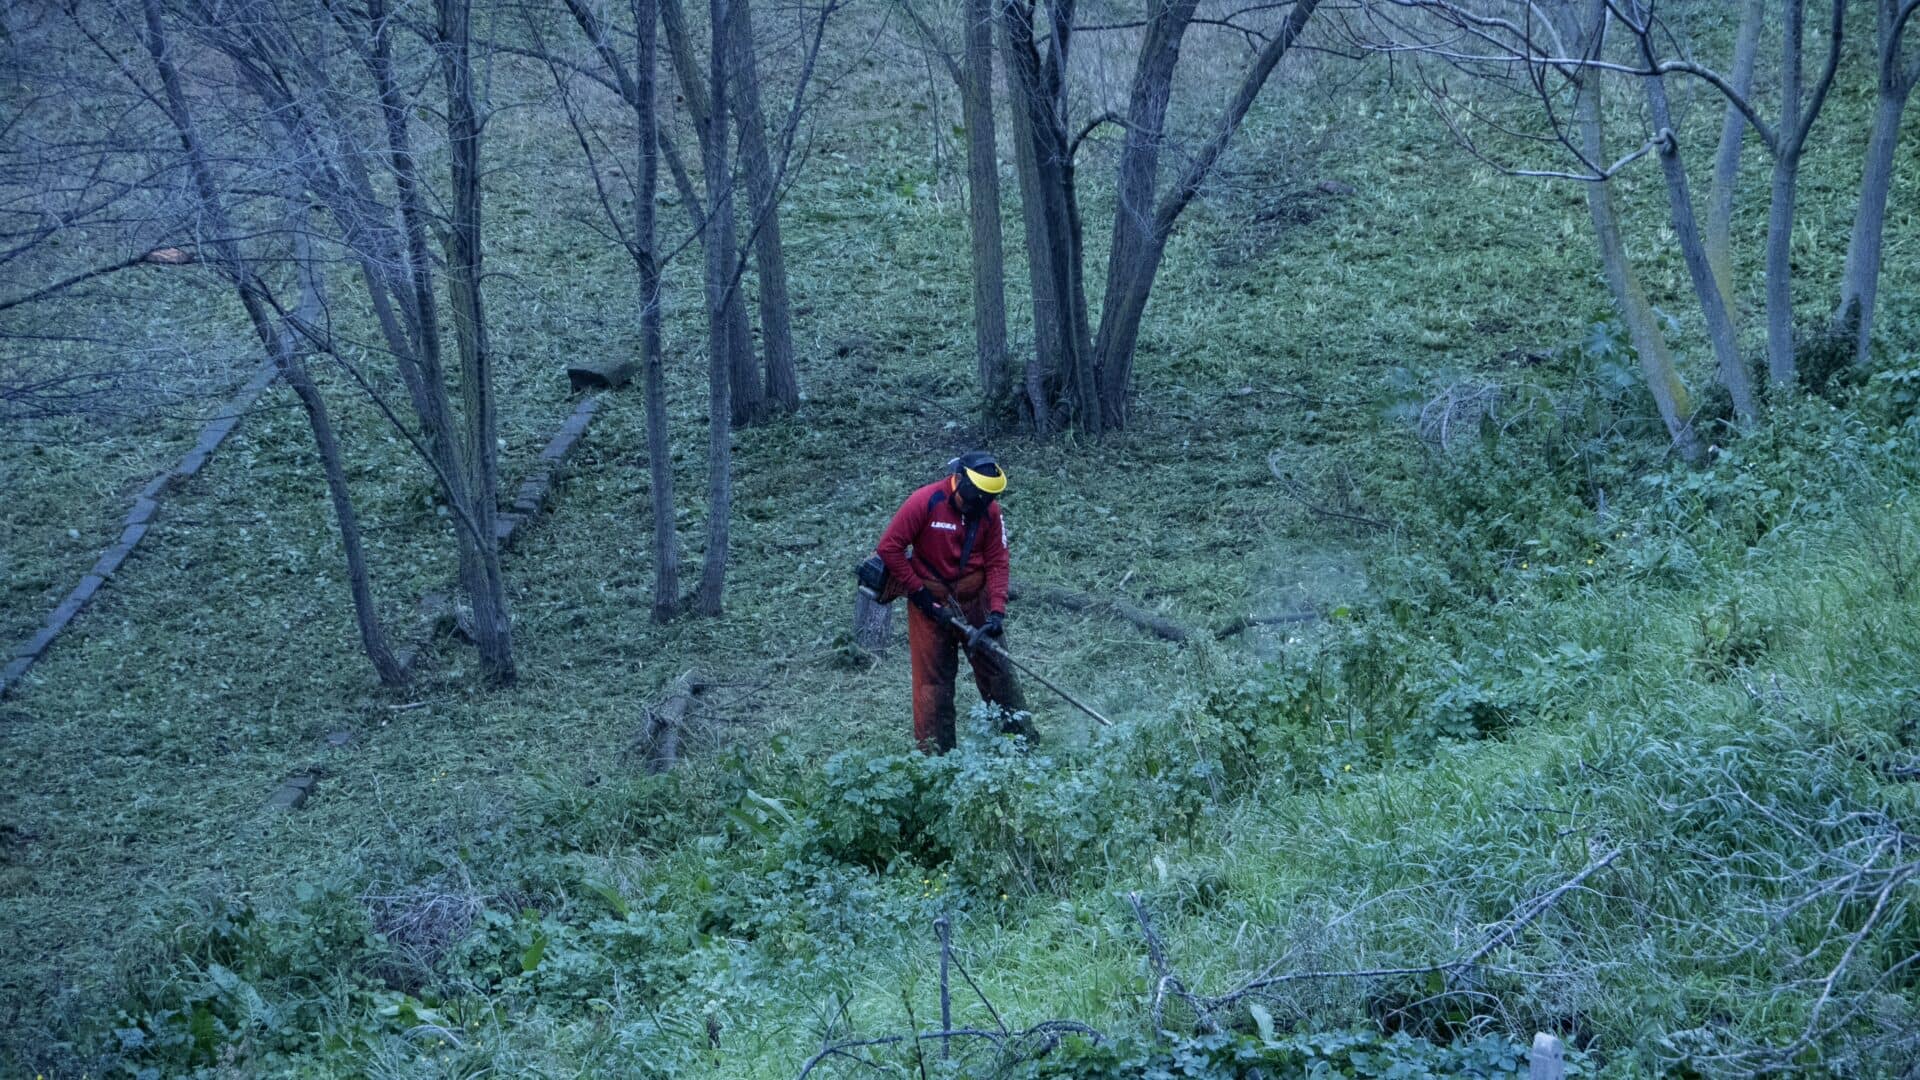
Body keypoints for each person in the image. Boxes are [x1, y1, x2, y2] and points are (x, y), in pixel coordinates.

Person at [874, 452, 1030, 753]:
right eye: (972, 500)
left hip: (976, 600)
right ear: (958, 481)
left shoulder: (990, 511)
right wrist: (919, 594)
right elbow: (889, 548)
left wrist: (996, 612)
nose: (976, 507)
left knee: (998, 670)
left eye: (983, 501)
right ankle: (936, 756)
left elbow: (998, 560)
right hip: (930, 601)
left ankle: (1019, 742)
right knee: (933, 685)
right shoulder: (924, 502)